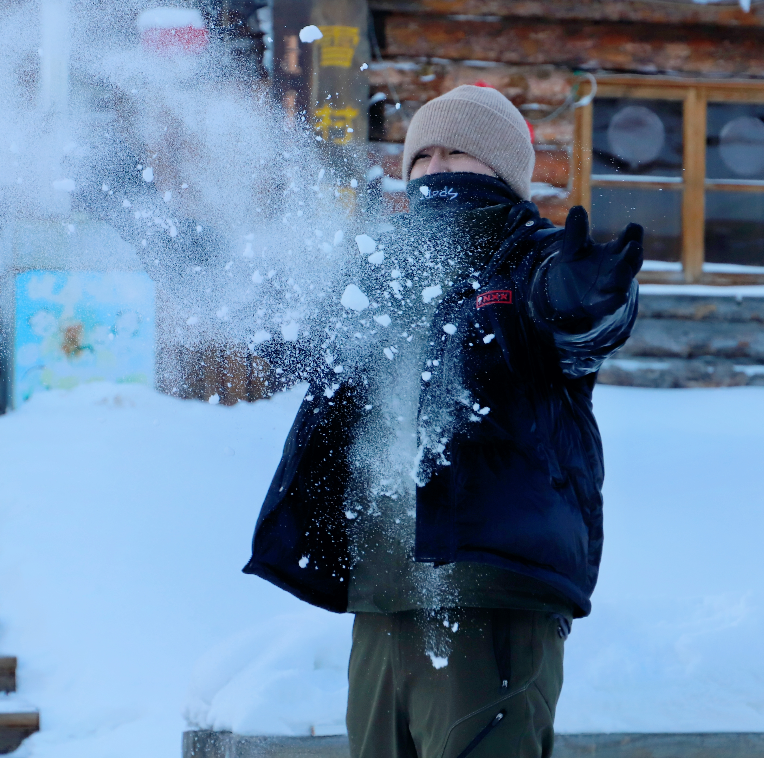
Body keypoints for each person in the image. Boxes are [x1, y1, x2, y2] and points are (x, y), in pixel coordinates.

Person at [244, 85, 643, 758]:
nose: (437, 169)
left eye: (459, 150)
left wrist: (588, 302)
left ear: (505, 170)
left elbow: (578, 322)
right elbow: (298, 347)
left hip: (491, 592)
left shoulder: (531, 261)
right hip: (380, 596)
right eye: (422, 155)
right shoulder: (377, 268)